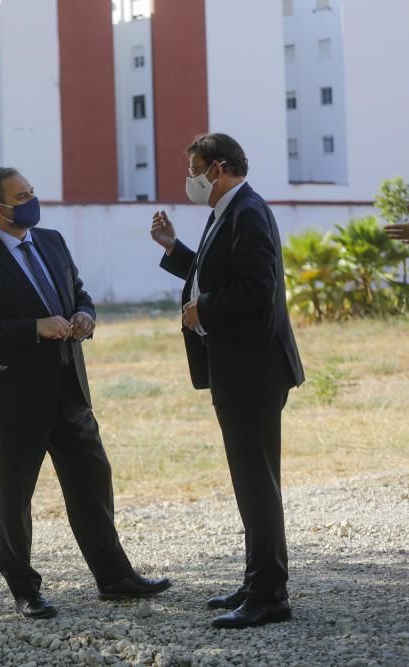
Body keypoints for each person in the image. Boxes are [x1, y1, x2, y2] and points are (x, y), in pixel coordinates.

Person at [0, 167, 170, 620]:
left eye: (32, 191)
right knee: (15, 500)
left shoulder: (52, 241)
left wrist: (85, 315)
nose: (32, 199)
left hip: (69, 390)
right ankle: (25, 590)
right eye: (22, 195)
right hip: (13, 402)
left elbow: (80, 294)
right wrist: (35, 328)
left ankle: (115, 578)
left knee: (93, 483)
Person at [150, 133, 305, 629]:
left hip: (253, 370)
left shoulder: (248, 212)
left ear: (217, 169)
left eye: (194, 170)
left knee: (256, 484)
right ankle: (256, 578)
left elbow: (258, 289)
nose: (190, 181)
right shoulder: (229, 212)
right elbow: (210, 270)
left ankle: (269, 596)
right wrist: (174, 249)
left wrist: (204, 309)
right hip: (237, 368)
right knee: (252, 483)